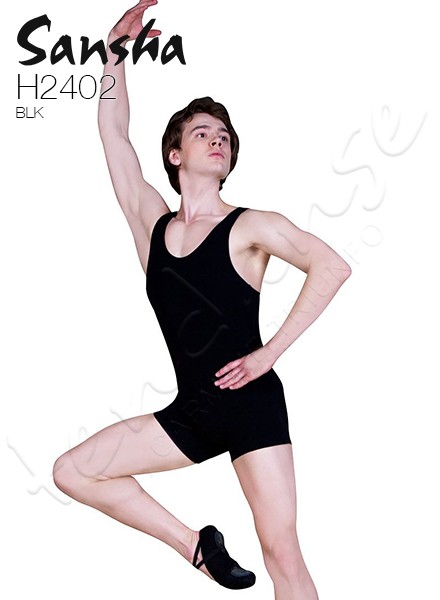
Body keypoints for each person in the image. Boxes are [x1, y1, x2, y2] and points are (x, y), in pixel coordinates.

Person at [53, 1, 351, 598]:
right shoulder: (151, 225)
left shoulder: (252, 226)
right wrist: (114, 53)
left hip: (251, 406)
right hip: (191, 413)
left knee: (282, 553)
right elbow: (114, 134)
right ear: (175, 154)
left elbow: (331, 266)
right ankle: (196, 547)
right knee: (72, 471)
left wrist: (268, 355)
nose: (216, 140)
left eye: (224, 137)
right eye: (202, 134)